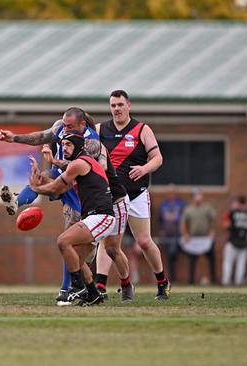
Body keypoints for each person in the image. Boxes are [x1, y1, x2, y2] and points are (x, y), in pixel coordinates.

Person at [0, 107, 106, 304]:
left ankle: (95, 288)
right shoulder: (60, 127)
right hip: (65, 181)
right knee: (42, 178)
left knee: (79, 250)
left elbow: (79, 167)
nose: (65, 129)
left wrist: (53, 161)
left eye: (70, 126)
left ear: (82, 125)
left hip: (82, 195)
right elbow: (40, 137)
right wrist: (14, 138)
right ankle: (17, 200)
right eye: (64, 125)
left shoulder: (92, 143)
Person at [98, 90, 170, 300]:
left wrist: (144, 169)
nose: (117, 109)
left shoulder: (141, 129)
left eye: (120, 105)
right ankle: (101, 285)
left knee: (144, 241)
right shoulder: (100, 129)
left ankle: (162, 282)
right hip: (111, 195)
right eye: (113, 105)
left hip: (136, 193)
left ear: (129, 105)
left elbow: (157, 158)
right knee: (107, 241)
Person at [28, 131, 115, 306]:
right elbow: (57, 184)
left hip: (101, 215)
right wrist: (42, 180)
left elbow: (57, 187)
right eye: (63, 145)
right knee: (77, 257)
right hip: (96, 216)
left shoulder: (80, 163)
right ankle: (93, 294)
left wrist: (34, 188)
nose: (64, 148)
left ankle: (77, 287)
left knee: (63, 241)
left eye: (68, 145)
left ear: (78, 146)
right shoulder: (80, 162)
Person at [180, 189, 217, 285]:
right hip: (193, 239)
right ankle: (191, 281)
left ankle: (213, 279)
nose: (199, 198)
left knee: (211, 258)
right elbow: (183, 223)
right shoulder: (188, 209)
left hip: (205, 238)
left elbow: (213, 220)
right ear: (193, 197)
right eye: (197, 196)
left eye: (200, 195)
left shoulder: (207, 208)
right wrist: (185, 234)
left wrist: (212, 232)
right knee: (192, 260)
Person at [157, 184, 186, 283]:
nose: (170, 194)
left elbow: (184, 220)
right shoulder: (163, 205)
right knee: (168, 255)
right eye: (168, 192)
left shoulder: (181, 204)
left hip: (178, 235)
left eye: (172, 192)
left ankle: (179, 278)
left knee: (173, 253)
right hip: (167, 235)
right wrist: (162, 231)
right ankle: (171, 278)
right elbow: (160, 220)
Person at [221, 196, 247, 286]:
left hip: (232, 241)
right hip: (243, 242)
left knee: (228, 264)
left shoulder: (232, 213)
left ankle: (226, 282)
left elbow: (226, 225)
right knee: (241, 266)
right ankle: (238, 283)